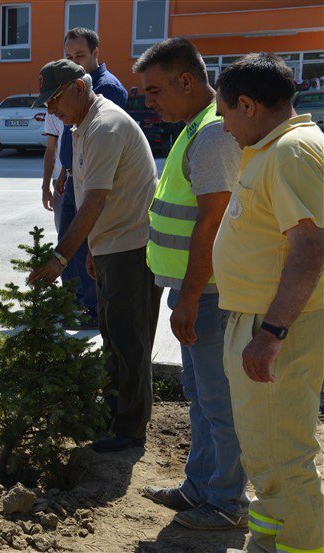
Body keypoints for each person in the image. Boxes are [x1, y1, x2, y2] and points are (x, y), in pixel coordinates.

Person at [133, 38, 248, 531]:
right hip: (193, 289)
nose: (149, 101)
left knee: (219, 401)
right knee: (199, 394)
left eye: (155, 90)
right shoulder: (192, 128)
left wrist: (193, 296)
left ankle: (227, 503)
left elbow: (211, 222)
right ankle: (200, 487)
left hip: (210, 293)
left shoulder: (213, 135)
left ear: (186, 80)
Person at [213, 53, 323, 553]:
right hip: (264, 320)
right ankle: (269, 541)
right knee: (265, 450)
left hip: (280, 327)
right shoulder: (273, 147)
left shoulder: (291, 153)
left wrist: (271, 333)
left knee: (283, 454)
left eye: (225, 112)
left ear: (248, 104)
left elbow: (311, 246)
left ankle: (301, 546)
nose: (223, 123)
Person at [28, 60, 161, 453]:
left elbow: (95, 203)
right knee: (114, 339)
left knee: (130, 342)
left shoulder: (104, 127)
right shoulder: (81, 125)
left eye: (54, 99)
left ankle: (130, 429)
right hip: (110, 247)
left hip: (132, 249)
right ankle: (113, 416)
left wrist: (60, 257)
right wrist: (92, 249)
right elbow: (89, 195)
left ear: (78, 88)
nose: (50, 109)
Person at [50, 27, 129, 329]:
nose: (74, 62)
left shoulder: (106, 88)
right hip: (72, 177)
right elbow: (72, 136)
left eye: (79, 56)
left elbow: (102, 144)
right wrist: (63, 171)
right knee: (67, 242)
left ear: (96, 53)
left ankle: (92, 310)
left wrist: (77, 176)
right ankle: (72, 304)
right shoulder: (72, 85)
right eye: (68, 56)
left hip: (91, 180)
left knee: (85, 247)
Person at [40, 112, 64, 232]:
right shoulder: (52, 113)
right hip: (61, 184)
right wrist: (45, 187)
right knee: (63, 235)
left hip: (87, 180)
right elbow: (50, 150)